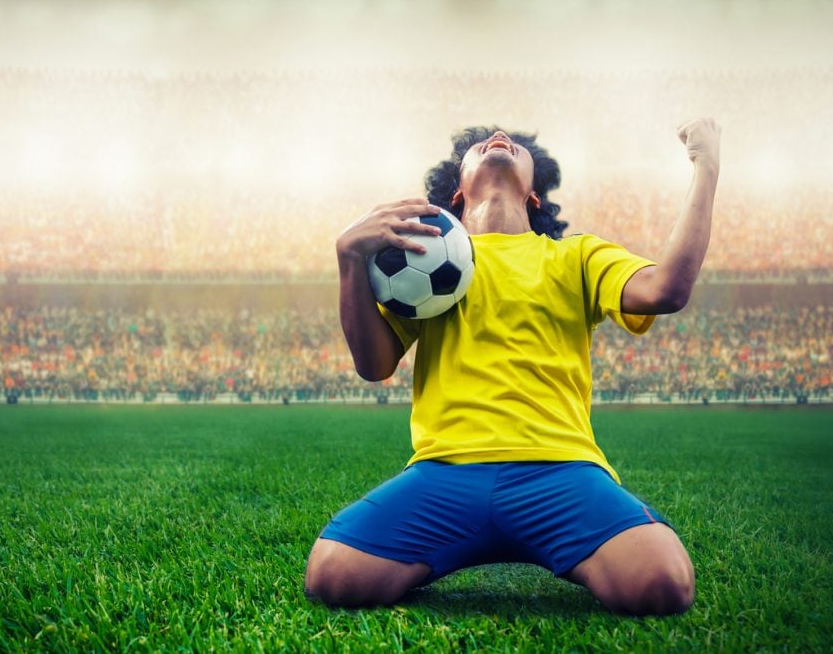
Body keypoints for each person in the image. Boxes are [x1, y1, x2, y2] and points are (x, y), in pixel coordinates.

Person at [305, 119, 721, 616]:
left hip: (561, 471)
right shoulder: (420, 263)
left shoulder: (577, 257)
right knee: (333, 576)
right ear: (456, 192)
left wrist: (707, 165)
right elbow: (374, 365)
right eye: (479, 145)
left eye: (516, 145)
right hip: (445, 474)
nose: (500, 140)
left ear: (536, 196)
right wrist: (349, 258)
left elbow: (666, 289)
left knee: (662, 584)